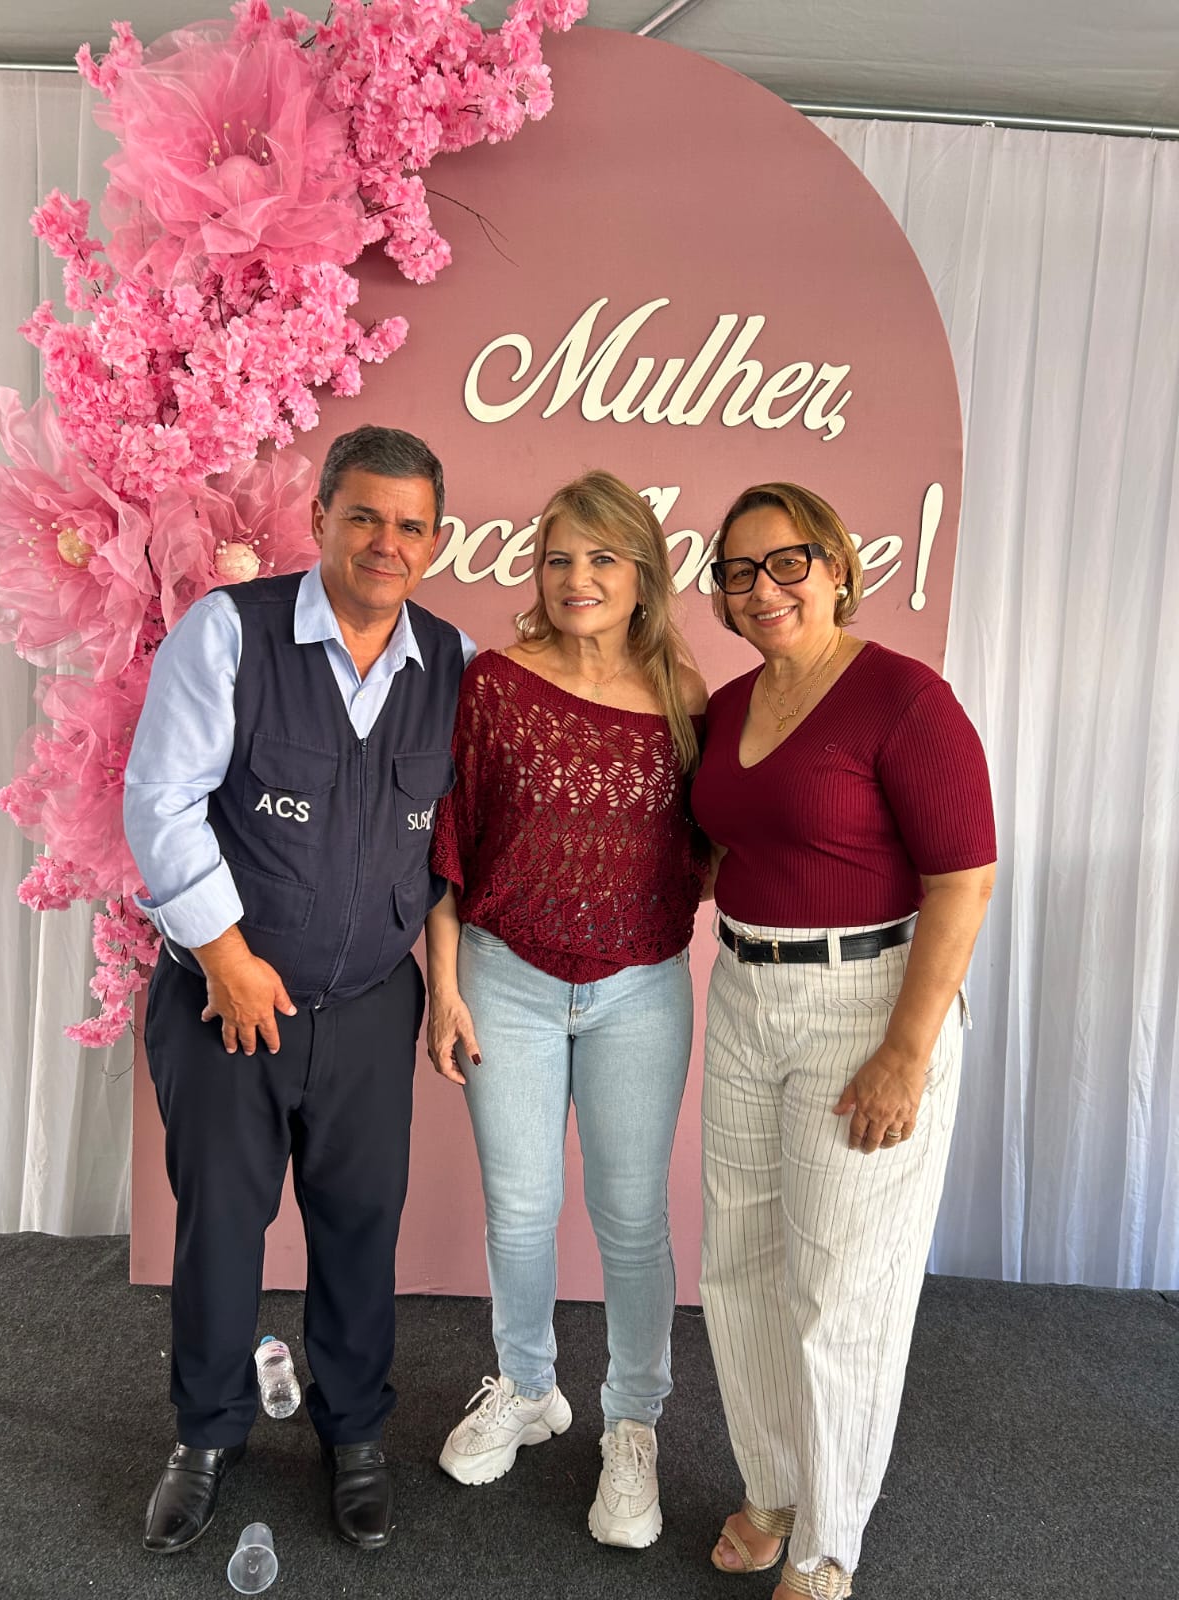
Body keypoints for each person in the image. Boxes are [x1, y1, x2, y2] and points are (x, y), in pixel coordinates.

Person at [123, 425, 473, 1555]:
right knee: (222, 1229)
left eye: (410, 525)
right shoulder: (229, 631)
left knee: (362, 1230)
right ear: (320, 517)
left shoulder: (452, 665)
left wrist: (448, 986)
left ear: (436, 541)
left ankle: (355, 1433)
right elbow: (161, 800)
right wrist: (226, 958)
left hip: (370, 1005)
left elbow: (451, 849)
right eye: (363, 515)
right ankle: (206, 1437)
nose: (385, 542)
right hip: (226, 1002)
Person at [690, 482, 996, 1600]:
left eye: (788, 562)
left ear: (837, 566)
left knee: (839, 1288)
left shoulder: (905, 700)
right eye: (739, 572)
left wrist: (907, 1054)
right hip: (744, 991)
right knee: (740, 1263)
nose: (763, 588)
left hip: (867, 1002)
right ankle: (774, 1486)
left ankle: (827, 1542)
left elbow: (963, 879)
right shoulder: (731, 704)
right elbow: (725, 849)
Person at [424, 469, 707, 1549]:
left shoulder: (684, 697)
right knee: (520, 1207)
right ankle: (529, 1388)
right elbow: (447, 843)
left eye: (601, 557)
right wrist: (445, 984)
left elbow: (711, 851)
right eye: (558, 558)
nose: (577, 577)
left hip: (640, 989)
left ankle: (631, 1424)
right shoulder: (493, 686)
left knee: (632, 1219)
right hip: (505, 977)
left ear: (642, 573)